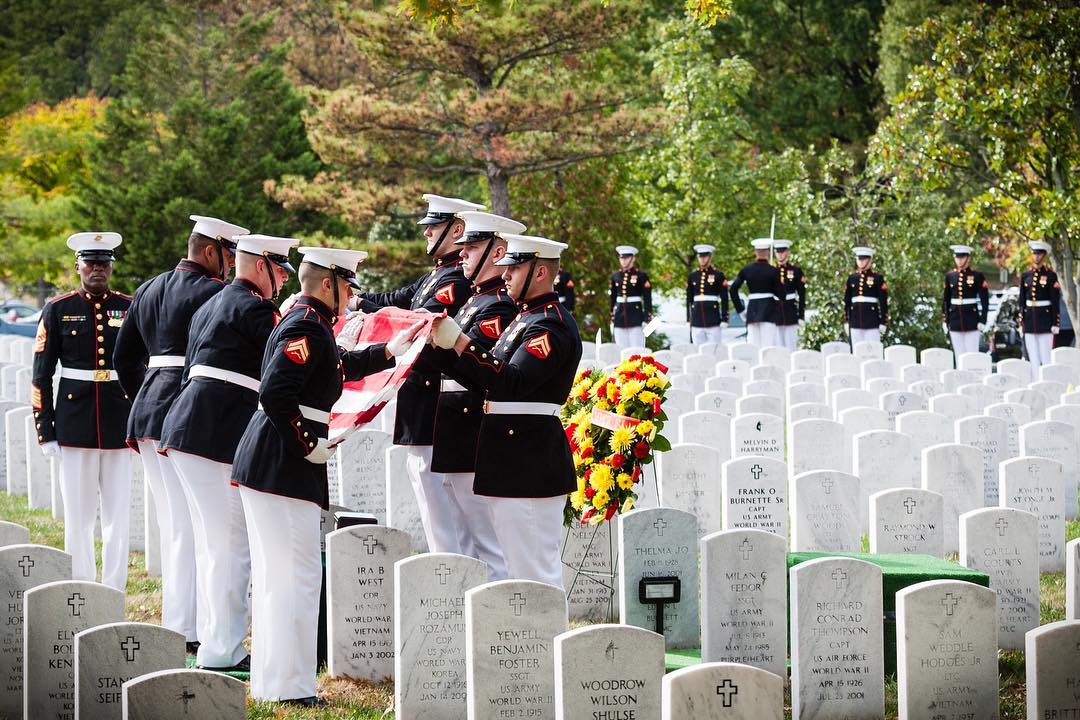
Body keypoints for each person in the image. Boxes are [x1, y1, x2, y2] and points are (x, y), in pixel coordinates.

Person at [233, 247, 421, 707]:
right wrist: (307, 443)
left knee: (283, 576)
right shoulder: (304, 324)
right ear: (325, 284)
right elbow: (277, 394)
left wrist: (389, 351)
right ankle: (290, 688)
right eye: (346, 286)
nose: (350, 296)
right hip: (283, 462)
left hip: (277, 463)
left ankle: (275, 682)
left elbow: (337, 365)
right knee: (294, 577)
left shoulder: (308, 321)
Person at [157, 234, 299, 672]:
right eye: (278, 271)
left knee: (212, 543)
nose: (280, 282)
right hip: (212, 434)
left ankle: (215, 641)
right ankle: (223, 652)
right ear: (260, 267)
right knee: (229, 546)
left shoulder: (212, 303)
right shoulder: (256, 310)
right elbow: (280, 367)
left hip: (188, 431)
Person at [114, 214, 247, 652]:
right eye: (228, 254)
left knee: (175, 525)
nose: (231, 265)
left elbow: (123, 357)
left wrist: (145, 396)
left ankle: (179, 623)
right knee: (194, 526)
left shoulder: (148, 288)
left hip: (148, 410)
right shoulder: (218, 294)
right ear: (211, 251)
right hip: (187, 412)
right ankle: (190, 629)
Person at [430, 233, 582, 587]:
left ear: (540, 272)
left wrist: (461, 342)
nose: (506, 274)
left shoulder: (551, 325)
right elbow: (483, 376)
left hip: (528, 460)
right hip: (511, 458)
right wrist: (438, 348)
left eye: (515, 267)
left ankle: (547, 643)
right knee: (517, 574)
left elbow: (509, 382)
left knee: (535, 577)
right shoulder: (524, 319)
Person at [352, 194, 482, 555]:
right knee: (431, 493)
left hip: (435, 403)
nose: (426, 232)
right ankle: (451, 575)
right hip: (422, 402)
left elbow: (417, 320)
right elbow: (397, 299)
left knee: (442, 500)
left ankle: (456, 576)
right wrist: (355, 301)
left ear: (456, 230)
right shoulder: (437, 274)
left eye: (433, 227)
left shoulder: (455, 279)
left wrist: (365, 310)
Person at [426, 211, 525, 580]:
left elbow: (478, 366)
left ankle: (495, 619)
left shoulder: (498, 305)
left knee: (487, 542)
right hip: (453, 424)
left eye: (473, 246)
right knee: (465, 540)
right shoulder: (475, 302)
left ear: (498, 251)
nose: (462, 253)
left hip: (469, 425)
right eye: (463, 245)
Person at [31, 232, 132, 590]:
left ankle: (114, 587)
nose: (97, 270)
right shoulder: (58, 309)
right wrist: (46, 431)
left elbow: (139, 367)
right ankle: (82, 584)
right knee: (79, 515)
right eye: (90, 263)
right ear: (78, 266)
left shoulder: (127, 306)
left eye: (103, 264)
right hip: (74, 425)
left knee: (119, 516)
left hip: (118, 423)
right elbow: (41, 375)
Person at [1018, 239, 1061, 378]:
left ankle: (1046, 382)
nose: (1036, 257)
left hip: (1045, 319)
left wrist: (1055, 322)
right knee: (1033, 357)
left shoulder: (1050, 276)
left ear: (1044, 256)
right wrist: (1021, 319)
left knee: (1045, 356)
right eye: (1034, 254)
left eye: (1039, 254)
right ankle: (1035, 382)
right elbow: (1022, 300)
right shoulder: (1026, 276)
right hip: (1030, 320)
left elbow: (1055, 301)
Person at [729, 238, 783, 347]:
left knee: (753, 346)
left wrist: (740, 310)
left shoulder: (747, 269)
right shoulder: (773, 270)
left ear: (755, 253)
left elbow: (733, 289)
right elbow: (782, 294)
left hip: (752, 311)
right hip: (769, 311)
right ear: (768, 252)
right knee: (768, 345)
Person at [942, 244, 989, 357]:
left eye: (962, 257)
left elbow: (984, 300)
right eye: (957, 257)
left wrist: (983, 320)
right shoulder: (950, 276)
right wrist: (945, 319)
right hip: (954, 319)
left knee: (972, 354)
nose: (959, 260)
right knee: (959, 355)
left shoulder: (977, 276)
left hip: (971, 319)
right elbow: (946, 300)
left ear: (968, 258)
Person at [844, 246, 888, 346]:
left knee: (872, 350)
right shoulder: (852, 278)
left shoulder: (877, 278)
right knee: (856, 350)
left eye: (864, 259)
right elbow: (847, 301)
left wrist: (883, 322)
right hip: (855, 321)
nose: (861, 262)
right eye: (859, 259)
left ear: (870, 260)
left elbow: (883, 302)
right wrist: (846, 321)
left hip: (872, 322)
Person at [686, 244, 729, 345]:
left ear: (710, 257)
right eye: (700, 257)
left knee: (714, 349)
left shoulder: (718, 275)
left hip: (713, 318)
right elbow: (689, 299)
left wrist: (725, 318)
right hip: (697, 318)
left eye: (705, 257)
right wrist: (689, 319)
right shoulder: (692, 276)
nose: (702, 259)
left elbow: (724, 298)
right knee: (697, 350)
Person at [609, 245, 651, 347]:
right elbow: (612, 298)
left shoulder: (641, 275)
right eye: (621, 258)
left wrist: (647, 317)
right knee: (621, 349)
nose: (623, 261)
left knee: (637, 349)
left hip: (636, 316)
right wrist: (612, 316)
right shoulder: (615, 276)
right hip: (619, 316)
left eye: (626, 258)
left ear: (633, 259)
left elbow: (647, 298)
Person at [773, 239, 806, 351]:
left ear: (787, 253)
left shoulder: (796, 271)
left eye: (782, 252)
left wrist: (801, 315)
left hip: (791, 312)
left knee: (791, 345)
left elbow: (802, 295)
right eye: (778, 252)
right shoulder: (772, 270)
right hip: (775, 312)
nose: (780, 254)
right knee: (778, 346)